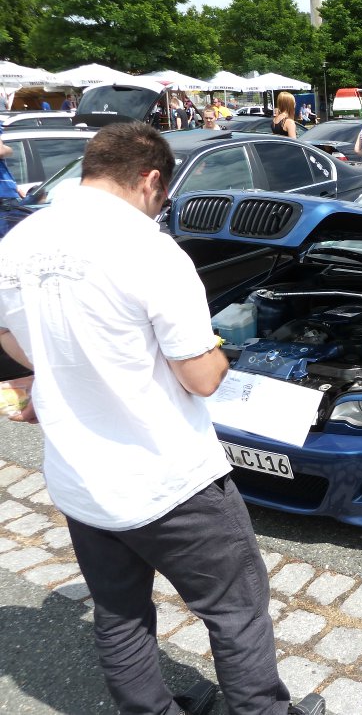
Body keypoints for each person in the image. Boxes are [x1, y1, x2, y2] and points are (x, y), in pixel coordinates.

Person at [0, 121, 324, 715]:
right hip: (169, 479)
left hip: (81, 482)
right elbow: (201, 378)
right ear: (152, 179)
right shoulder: (151, 250)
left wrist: (70, 369)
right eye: (165, 196)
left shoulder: (18, 242)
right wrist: (222, 351)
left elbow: (11, 340)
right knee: (236, 606)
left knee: (119, 613)